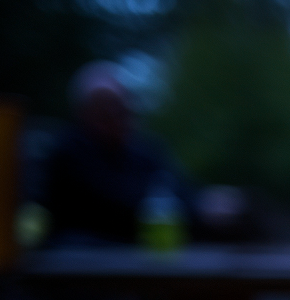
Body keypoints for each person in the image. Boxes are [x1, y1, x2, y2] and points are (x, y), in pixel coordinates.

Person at [40, 61, 192, 245]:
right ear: (83, 112)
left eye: (121, 105)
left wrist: (206, 202)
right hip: (83, 257)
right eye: (105, 107)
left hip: (138, 252)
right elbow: (118, 205)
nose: (116, 114)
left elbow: (178, 184)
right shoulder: (69, 152)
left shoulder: (143, 149)